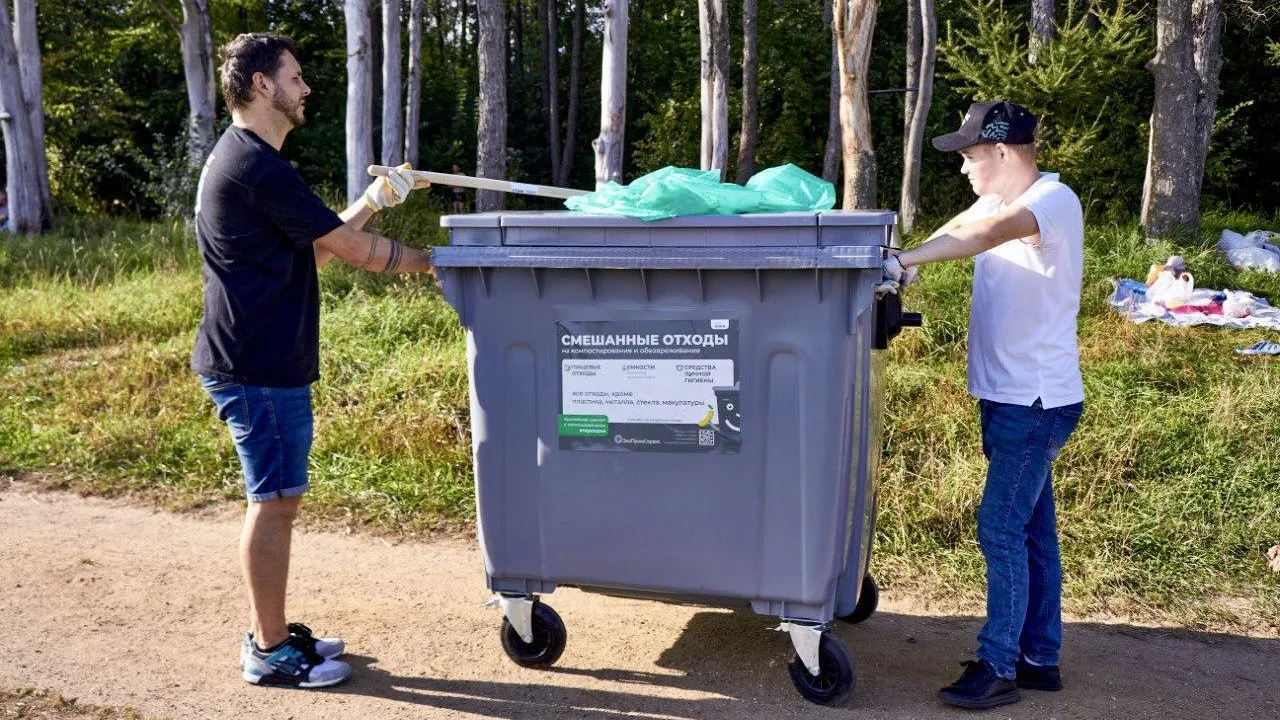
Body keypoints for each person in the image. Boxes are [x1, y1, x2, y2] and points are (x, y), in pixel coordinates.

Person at [192, 32, 433, 690]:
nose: (305, 88)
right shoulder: (255, 165)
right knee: (273, 504)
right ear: (263, 85)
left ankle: (270, 633)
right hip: (257, 365)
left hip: (261, 360)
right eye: (295, 77)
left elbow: (320, 247)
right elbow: (356, 254)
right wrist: (441, 264)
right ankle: (269, 651)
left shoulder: (252, 161)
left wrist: (375, 202)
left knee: (279, 499)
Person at [882, 100, 1085, 710]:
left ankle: (998, 663)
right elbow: (959, 231)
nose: (965, 167)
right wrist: (904, 263)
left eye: (970, 156)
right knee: (1032, 532)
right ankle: (1038, 658)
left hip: (1035, 399)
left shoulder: (1053, 200)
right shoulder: (994, 199)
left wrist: (903, 260)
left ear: (1002, 151)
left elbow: (988, 237)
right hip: (1007, 397)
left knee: (999, 526)